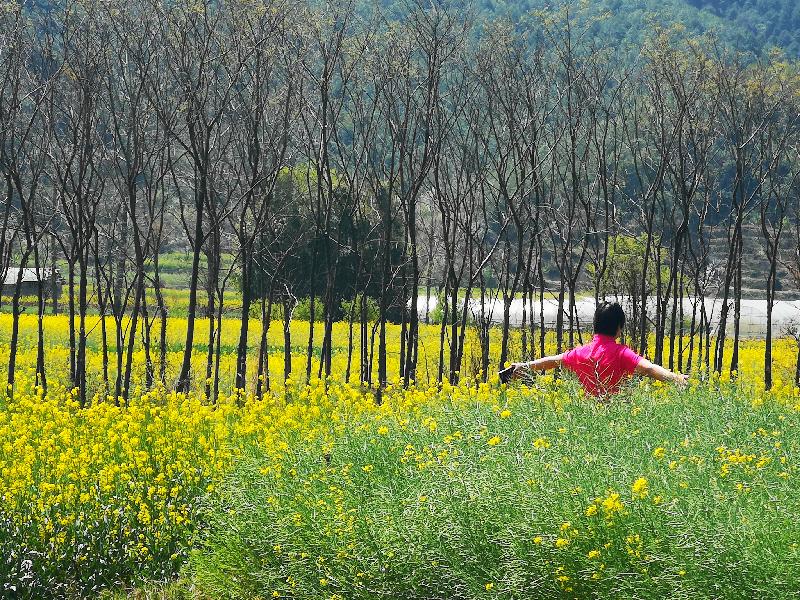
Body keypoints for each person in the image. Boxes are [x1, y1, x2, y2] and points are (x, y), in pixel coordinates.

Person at [509, 302, 687, 398]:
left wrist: (525, 366)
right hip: (617, 417)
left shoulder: (580, 353)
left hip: (589, 419)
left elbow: (553, 361)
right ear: (619, 328)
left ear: (595, 325)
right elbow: (648, 368)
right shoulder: (620, 353)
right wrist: (676, 378)